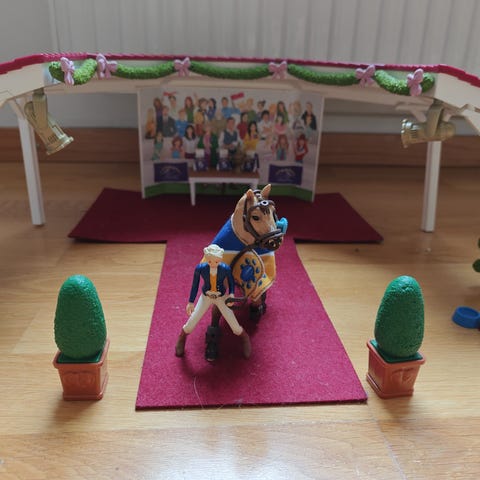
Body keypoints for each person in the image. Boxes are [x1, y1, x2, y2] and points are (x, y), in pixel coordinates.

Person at [175, 244, 251, 359]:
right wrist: (191, 302)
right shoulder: (200, 268)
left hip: (221, 297)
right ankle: (182, 336)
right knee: (192, 320)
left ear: (220, 259)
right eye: (210, 261)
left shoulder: (225, 269)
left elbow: (231, 282)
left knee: (233, 323)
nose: (213, 264)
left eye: (216, 261)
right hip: (206, 297)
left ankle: (244, 337)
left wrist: (231, 294)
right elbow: (195, 285)